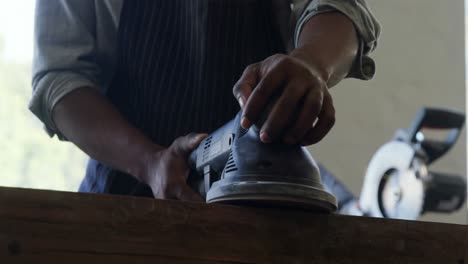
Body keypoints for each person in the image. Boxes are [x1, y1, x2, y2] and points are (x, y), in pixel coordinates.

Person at [30, 0, 380, 203]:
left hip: (260, 205)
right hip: (121, 207)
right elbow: (61, 78)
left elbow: (340, 6)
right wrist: (151, 162)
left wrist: (312, 64)